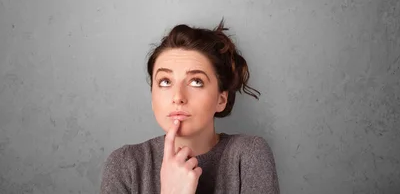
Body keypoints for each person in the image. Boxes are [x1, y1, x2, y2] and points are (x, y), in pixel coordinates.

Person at [100, 18, 281, 194]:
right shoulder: (125, 164)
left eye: (196, 82)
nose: (178, 97)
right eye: (164, 82)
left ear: (221, 99)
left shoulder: (248, 156)